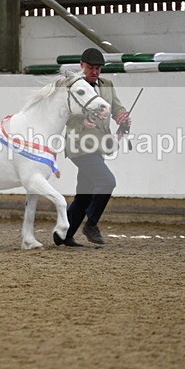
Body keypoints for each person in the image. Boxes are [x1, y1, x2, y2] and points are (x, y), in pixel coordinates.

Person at [54, 47, 131, 247]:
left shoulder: (107, 85)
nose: (95, 72)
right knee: (107, 181)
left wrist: (122, 116)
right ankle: (91, 224)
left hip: (98, 146)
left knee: (85, 194)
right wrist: (81, 123)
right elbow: (66, 115)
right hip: (79, 146)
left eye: (98, 68)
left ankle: (64, 234)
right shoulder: (74, 87)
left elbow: (116, 107)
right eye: (91, 67)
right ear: (82, 66)